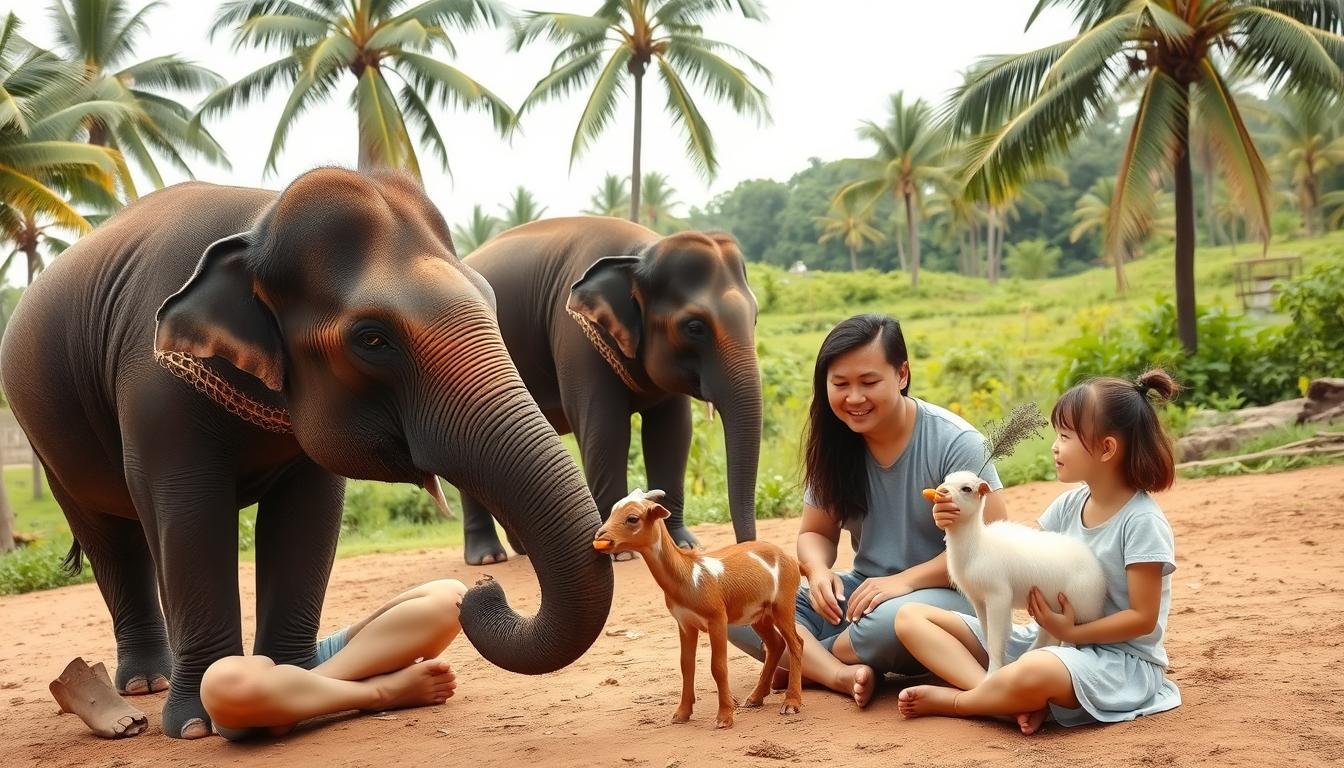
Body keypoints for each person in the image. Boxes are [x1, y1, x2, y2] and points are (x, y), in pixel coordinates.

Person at [727, 313, 1008, 706]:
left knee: (889, 622)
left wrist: (906, 581)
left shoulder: (956, 441)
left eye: (869, 382)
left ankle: (803, 658)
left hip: (945, 597)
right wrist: (819, 571)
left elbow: (993, 548)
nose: (854, 398)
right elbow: (814, 533)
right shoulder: (835, 444)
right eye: (840, 384)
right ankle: (839, 674)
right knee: (737, 607)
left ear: (902, 375)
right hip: (864, 594)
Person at [895, 369, 1183, 734]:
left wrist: (1074, 634)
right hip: (1048, 638)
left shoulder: (1141, 522)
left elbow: (1143, 619)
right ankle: (999, 694)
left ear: (1107, 448)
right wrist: (958, 522)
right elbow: (1026, 563)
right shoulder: (1068, 505)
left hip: (1115, 662)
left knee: (1036, 669)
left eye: (1065, 436)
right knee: (911, 618)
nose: (1054, 445)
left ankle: (962, 701)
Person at [201, 578, 466, 739]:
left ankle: (293, 696)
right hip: (253, 694)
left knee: (454, 598)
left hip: (334, 661)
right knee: (223, 685)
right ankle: (378, 693)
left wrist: (374, 621)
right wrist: (382, 690)